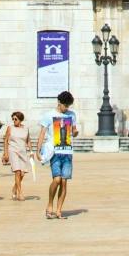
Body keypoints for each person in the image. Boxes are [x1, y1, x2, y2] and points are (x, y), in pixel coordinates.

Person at [41, 90, 78, 220]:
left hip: (67, 152)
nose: (66, 108)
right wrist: (37, 151)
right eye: (65, 105)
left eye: (68, 106)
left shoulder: (72, 115)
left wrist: (75, 132)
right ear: (59, 102)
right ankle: (49, 205)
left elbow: (74, 131)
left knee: (64, 182)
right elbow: (42, 133)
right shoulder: (49, 115)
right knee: (56, 179)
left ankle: (58, 211)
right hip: (54, 152)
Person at [4, 110, 34, 200]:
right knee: (17, 171)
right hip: (13, 150)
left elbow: (28, 141)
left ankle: (14, 188)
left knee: (22, 173)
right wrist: (6, 153)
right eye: (13, 119)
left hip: (22, 151)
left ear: (20, 119)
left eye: (15, 119)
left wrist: (31, 152)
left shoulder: (26, 129)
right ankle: (20, 193)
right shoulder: (10, 128)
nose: (14, 120)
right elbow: (5, 140)